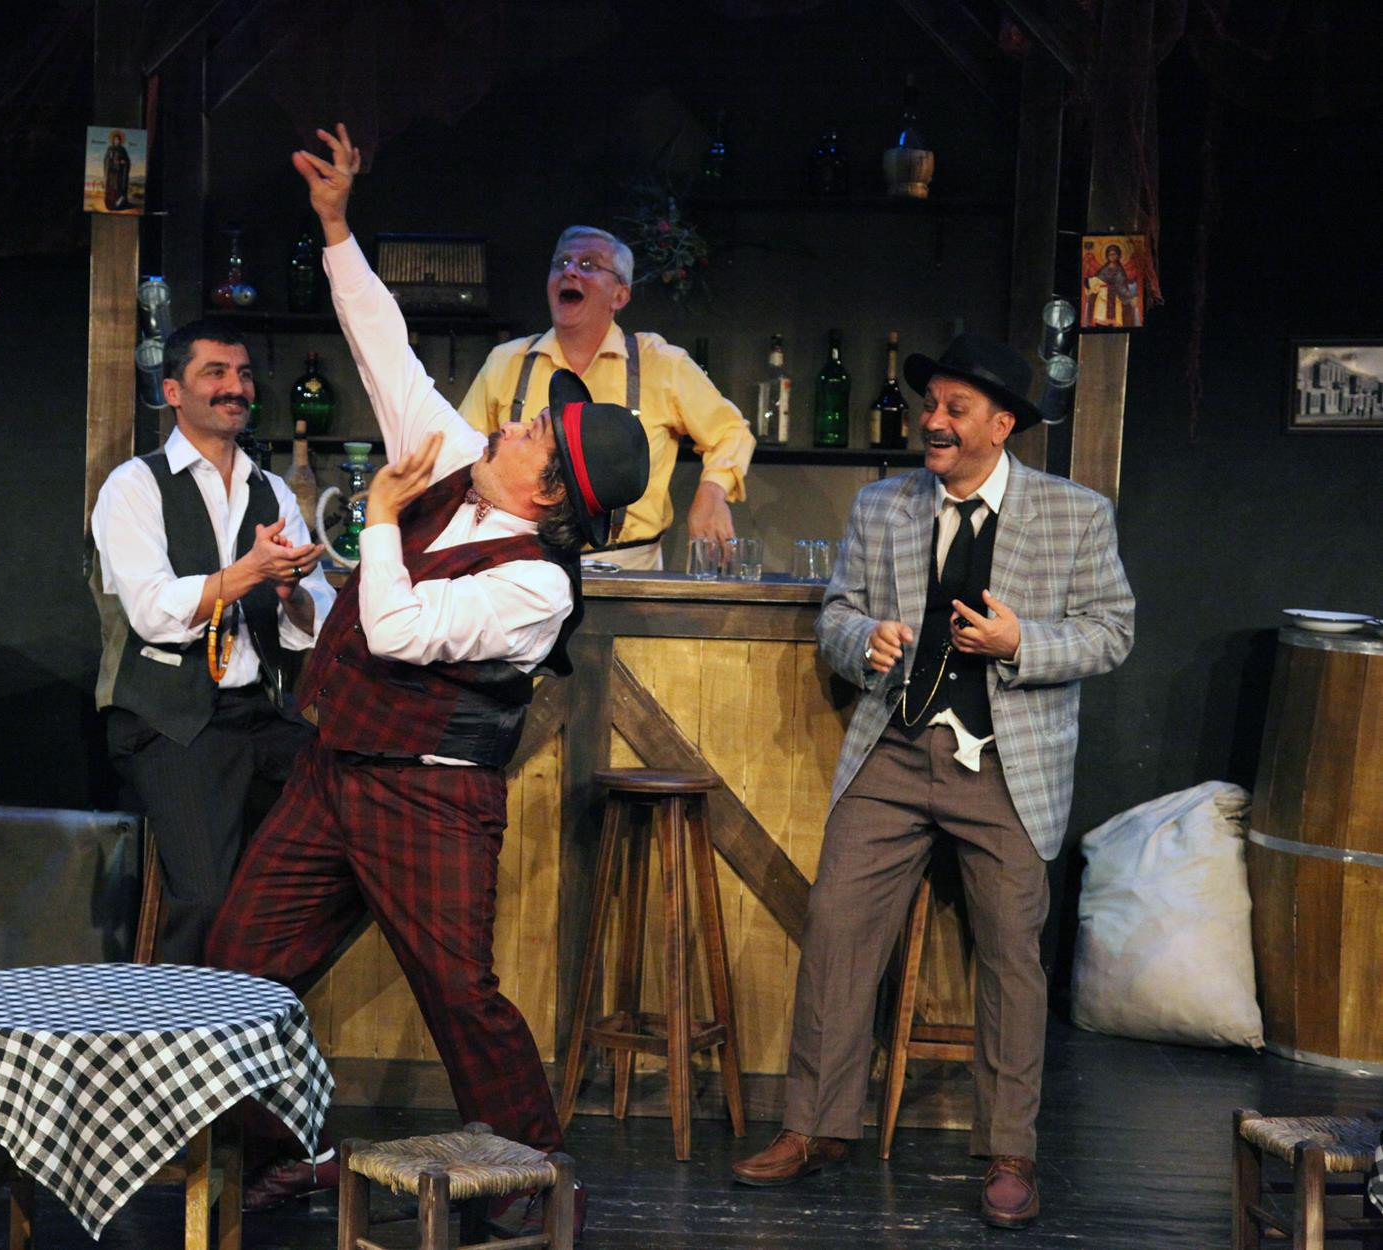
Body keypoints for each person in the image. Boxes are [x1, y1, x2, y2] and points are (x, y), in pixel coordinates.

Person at [204, 125, 648, 1233]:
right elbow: (386, 349)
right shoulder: (456, 459)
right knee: (243, 963)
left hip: (430, 794)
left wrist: (378, 517)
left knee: (459, 993)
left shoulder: (535, 585)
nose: (515, 421)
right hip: (335, 767)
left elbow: (399, 629)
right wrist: (335, 226)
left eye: (535, 432)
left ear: (550, 493)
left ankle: (530, 1176)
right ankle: (278, 1152)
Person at [728, 333, 1134, 1230]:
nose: (933, 422)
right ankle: (813, 1127)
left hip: (1006, 765)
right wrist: (860, 641)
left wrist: (1021, 642)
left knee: (1011, 956)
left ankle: (1008, 1150)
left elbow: (1111, 631)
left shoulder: (1074, 515)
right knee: (835, 930)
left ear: (1001, 425)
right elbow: (836, 612)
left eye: (955, 409)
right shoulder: (882, 506)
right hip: (893, 752)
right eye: (931, 406)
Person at [90, 318, 335, 964]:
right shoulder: (134, 486)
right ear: (173, 391)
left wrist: (290, 592)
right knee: (205, 898)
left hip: (259, 713)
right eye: (216, 373)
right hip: (171, 718)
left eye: (244, 374)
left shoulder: (271, 491)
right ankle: (181, 1021)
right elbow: (152, 613)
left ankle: (266, 997)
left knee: (358, 843)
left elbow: (317, 618)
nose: (236, 387)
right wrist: (248, 572)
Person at [456, 225, 754, 569]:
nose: (570, 270)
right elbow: (461, 450)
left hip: (630, 568)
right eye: (562, 262)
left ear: (620, 296)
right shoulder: (507, 361)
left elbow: (731, 431)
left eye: (588, 264)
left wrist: (712, 492)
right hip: (521, 563)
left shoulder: (661, 363)